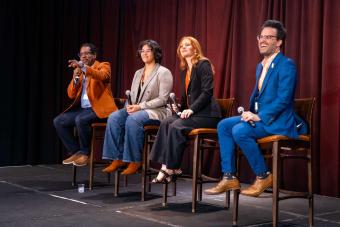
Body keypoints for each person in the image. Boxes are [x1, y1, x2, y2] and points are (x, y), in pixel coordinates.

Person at [204, 20, 308, 197]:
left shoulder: (286, 65)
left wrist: (260, 116)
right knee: (224, 125)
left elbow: (284, 99)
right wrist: (249, 113)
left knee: (240, 131)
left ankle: (263, 175)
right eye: (261, 37)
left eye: (269, 37)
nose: (263, 40)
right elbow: (260, 97)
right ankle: (229, 176)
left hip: (279, 121)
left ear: (279, 42)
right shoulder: (260, 66)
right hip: (261, 117)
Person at [149, 36, 222, 183]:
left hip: (208, 115)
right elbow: (186, 98)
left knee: (176, 126)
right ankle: (167, 166)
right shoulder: (184, 71)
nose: (183, 47)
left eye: (187, 45)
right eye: (181, 45)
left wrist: (192, 109)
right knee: (166, 122)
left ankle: (170, 167)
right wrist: (179, 108)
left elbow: (207, 92)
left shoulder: (203, 64)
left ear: (195, 49)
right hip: (195, 113)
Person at [101, 39, 173, 175]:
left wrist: (139, 107)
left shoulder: (163, 72)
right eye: (142, 50)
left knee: (133, 120)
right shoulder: (138, 73)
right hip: (138, 109)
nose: (144, 53)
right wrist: (130, 107)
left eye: (148, 50)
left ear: (156, 53)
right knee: (114, 117)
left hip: (157, 111)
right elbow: (133, 97)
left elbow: (163, 99)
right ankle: (117, 158)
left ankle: (134, 160)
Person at [54, 43, 117, 166]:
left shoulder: (103, 66)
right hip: (84, 110)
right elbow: (71, 94)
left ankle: (85, 153)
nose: (83, 56)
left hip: (99, 109)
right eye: (81, 54)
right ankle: (76, 151)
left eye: (86, 53)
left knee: (80, 119)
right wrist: (76, 78)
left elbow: (102, 76)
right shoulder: (80, 71)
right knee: (58, 121)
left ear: (94, 55)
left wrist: (83, 67)